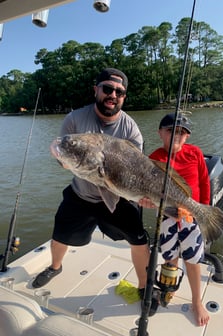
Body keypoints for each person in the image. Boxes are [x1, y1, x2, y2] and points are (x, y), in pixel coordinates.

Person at [32, 68, 150, 295]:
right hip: (81, 194)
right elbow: (63, 153)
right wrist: (61, 159)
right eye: (107, 88)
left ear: (124, 96)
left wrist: (142, 195)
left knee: (139, 240)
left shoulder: (131, 129)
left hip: (118, 194)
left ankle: (144, 285)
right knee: (59, 235)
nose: (113, 95)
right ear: (96, 90)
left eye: (119, 91)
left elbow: (139, 171)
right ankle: (55, 267)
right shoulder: (74, 119)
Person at [139, 112, 210, 326]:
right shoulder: (154, 158)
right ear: (160, 133)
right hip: (167, 217)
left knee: (193, 260)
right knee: (170, 256)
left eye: (182, 132)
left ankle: (197, 301)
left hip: (191, 216)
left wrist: (206, 210)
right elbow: (147, 190)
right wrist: (146, 202)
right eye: (171, 130)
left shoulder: (195, 153)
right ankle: (170, 290)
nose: (177, 135)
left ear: (187, 136)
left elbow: (205, 183)